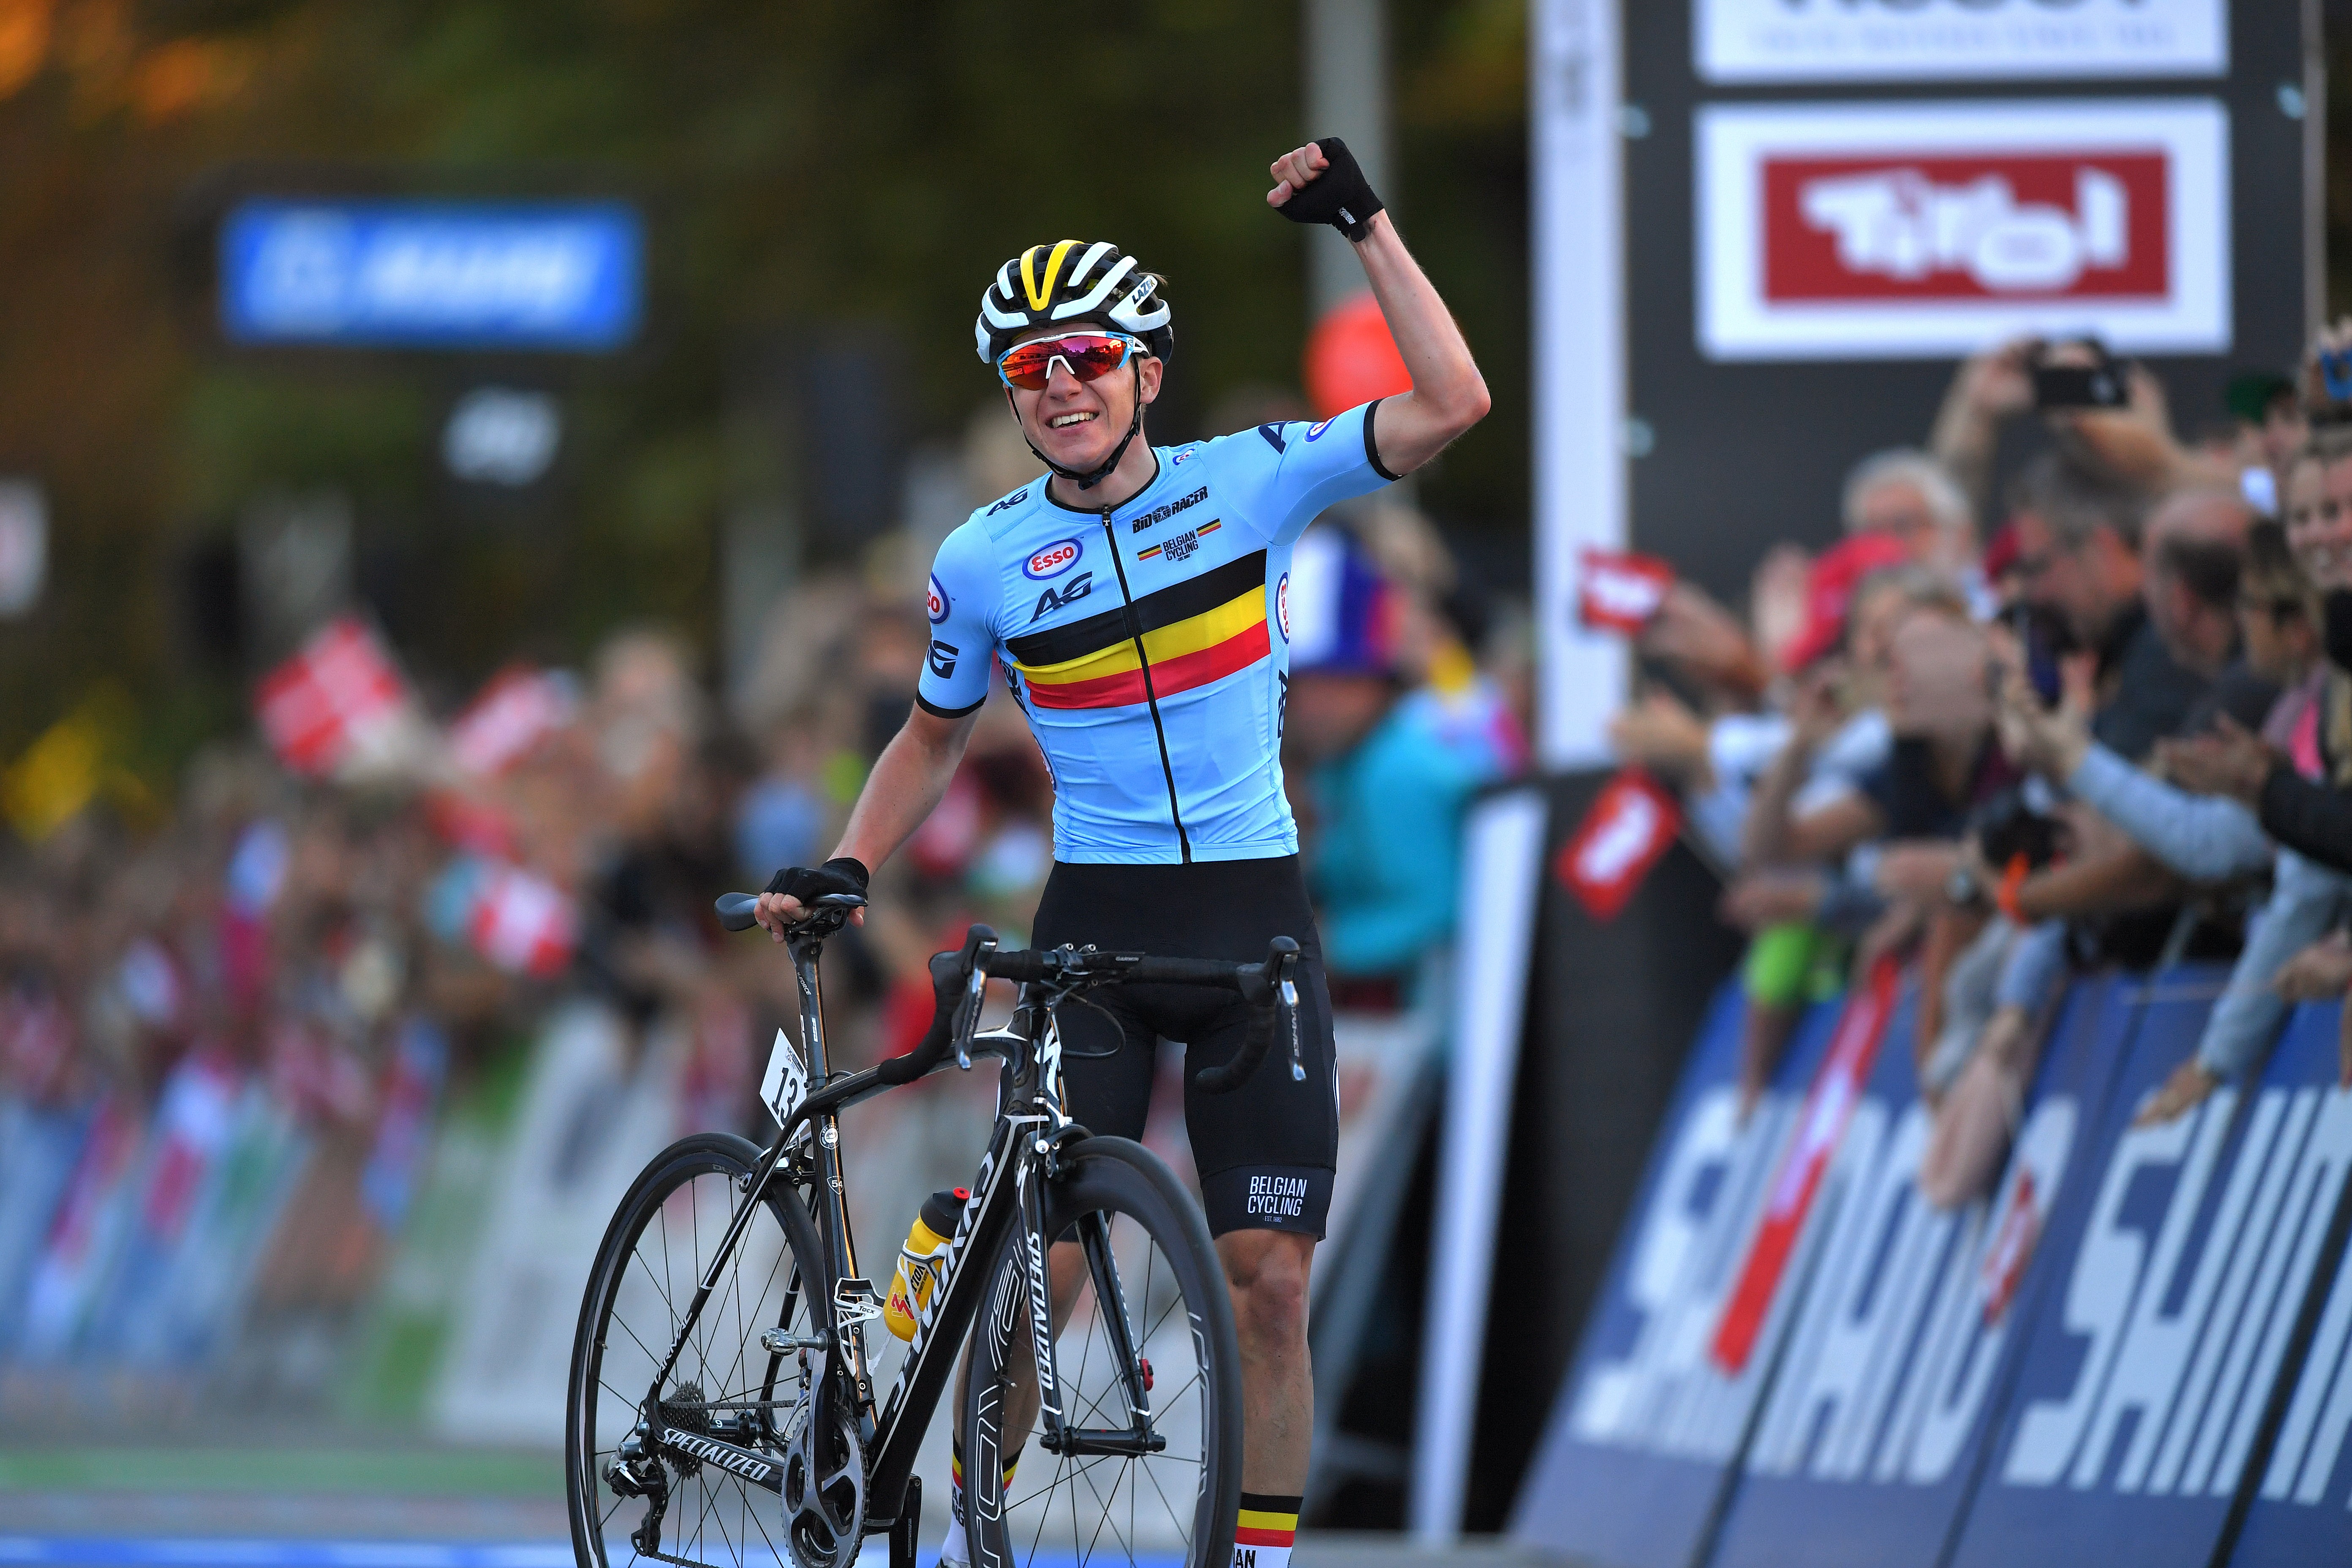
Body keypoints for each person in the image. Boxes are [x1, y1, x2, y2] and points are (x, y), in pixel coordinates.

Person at [753, 138, 1489, 1568]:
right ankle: (981, 1534)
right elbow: (932, 736)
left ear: (1146, 371)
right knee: (1048, 1270)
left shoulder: (1253, 481)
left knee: (1269, 1284)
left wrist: (1368, 228)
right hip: (1091, 924)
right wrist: (849, 864)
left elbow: (1455, 402)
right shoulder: (982, 558)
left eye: (1088, 356)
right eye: (1032, 371)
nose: (1063, 385)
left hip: (1252, 922)